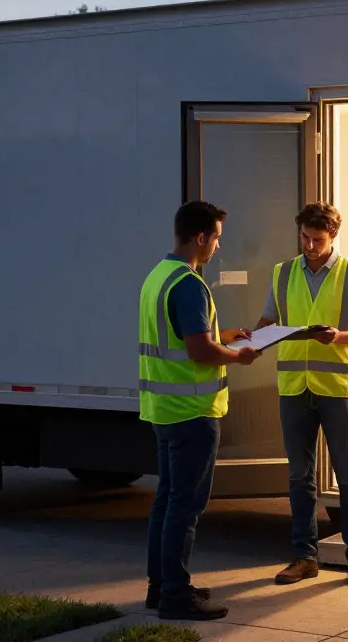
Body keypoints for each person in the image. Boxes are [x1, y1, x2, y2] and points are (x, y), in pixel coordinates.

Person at [139, 199, 261, 621]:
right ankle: (176, 595)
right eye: (216, 238)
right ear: (200, 236)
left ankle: (160, 587)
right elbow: (199, 350)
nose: (218, 247)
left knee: (167, 500)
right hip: (192, 411)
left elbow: (184, 338)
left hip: (164, 410)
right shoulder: (189, 284)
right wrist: (239, 355)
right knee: (185, 506)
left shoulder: (158, 276)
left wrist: (223, 335)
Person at [255, 202, 348, 588]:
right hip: (294, 388)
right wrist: (251, 339)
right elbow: (268, 320)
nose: (309, 246)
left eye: (317, 240)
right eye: (305, 238)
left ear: (333, 236)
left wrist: (339, 337)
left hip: (337, 390)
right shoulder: (283, 272)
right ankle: (304, 557)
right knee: (299, 478)